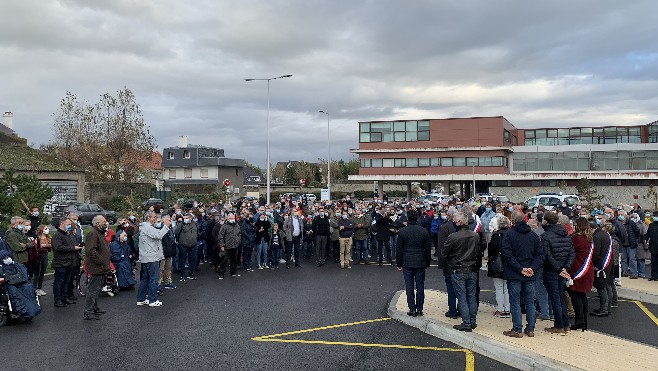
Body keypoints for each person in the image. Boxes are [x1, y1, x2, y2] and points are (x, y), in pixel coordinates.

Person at [501, 211, 545, 338]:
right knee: (530, 302)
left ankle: (517, 329)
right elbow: (540, 254)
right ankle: (530, 329)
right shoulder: (533, 235)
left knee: (515, 302)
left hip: (515, 273)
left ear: (512, 221)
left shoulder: (509, 235)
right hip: (530, 273)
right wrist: (532, 268)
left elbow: (507, 254)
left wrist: (520, 269)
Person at [442, 212, 480, 332]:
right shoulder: (475, 236)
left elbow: (444, 253)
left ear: (459, 222)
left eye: (454, 220)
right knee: (471, 296)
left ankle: (466, 323)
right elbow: (479, 251)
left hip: (458, 269)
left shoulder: (453, 236)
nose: (453, 222)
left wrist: (452, 261)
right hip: (471, 268)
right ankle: (472, 321)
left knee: (462, 297)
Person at [540, 211, 576, 334]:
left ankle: (559, 325)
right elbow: (572, 253)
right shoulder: (565, 235)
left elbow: (547, 255)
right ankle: (565, 324)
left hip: (552, 270)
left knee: (555, 298)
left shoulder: (546, 236)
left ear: (547, 221)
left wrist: (559, 269)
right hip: (562, 269)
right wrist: (565, 268)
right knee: (560, 297)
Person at [396, 210, 432, 317]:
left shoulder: (402, 231)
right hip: (420, 261)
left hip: (407, 261)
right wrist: (428, 262)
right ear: (417, 218)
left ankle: (412, 309)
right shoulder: (424, 231)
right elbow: (428, 249)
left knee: (409, 286)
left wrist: (399, 263)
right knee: (420, 286)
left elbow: (399, 249)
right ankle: (420, 309)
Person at [137, 213, 171, 307]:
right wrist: (166, 226)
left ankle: (141, 298)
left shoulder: (146, 227)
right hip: (151, 257)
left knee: (146, 278)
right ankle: (152, 299)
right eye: (154, 217)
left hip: (148, 256)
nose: (156, 219)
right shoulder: (147, 227)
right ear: (149, 218)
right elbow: (158, 235)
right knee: (154, 278)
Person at [568, 217, 595, 331]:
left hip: (578, 270)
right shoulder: (589, 238)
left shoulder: (576, 238)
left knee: (575, 295)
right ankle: (584, 321)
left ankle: (579, 321)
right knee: (583, 296)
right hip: (587, 269)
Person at [83, 215, 112, 320]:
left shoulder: (99, 233)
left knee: (97, 288)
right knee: (93, 289)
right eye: (104, 221)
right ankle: (88, 311)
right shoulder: (93, 233)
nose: (106, 223)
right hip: (97, 267)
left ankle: (95, 308)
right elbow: (91, 251)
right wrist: (101, 261)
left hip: (101, 267)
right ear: (97, 223)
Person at [51, 218, 83, 308]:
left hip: (70, 262)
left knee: (66, 281)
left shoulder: (69, 235)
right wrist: (73, 248)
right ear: (62, 224)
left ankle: (65, 297)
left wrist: (77, 246)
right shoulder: (57, 236)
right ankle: (57, 300)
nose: (70, 226)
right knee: (59, 282)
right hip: (61, 263)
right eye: (68, 224)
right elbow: (59, 248)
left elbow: (72, 244)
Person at [487, 215, 511, 318]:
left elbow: (491, 249)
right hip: (510, 264)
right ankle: (508, 309)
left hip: (498, 263)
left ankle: (501, 309)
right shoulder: (512, 234)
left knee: (499, 288)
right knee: (507, 288)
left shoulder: (496, 235)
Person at [591, 216, 613, 317]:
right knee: (608, 286)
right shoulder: (605, 235)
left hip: (601, 265)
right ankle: (607, 308)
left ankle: (603, 308)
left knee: (601, 287)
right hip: (608, 263)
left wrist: (592, 262)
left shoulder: (597, 237)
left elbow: (595, 253)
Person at [437, 212, 458, 318]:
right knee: (461, 289)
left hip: (449, 263)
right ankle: (461, 310)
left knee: (451, 288)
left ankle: (453, 311)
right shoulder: (464, 229)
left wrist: (441, 263)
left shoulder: (444, 228)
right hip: (462, 263)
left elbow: (441, 247)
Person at [175, 213, 198, 281]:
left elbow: (197, 232)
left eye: (187, 218)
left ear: (191, 218)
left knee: (193, 259)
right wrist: (179, 241)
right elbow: (176, 233)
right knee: (182, 260)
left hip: (193, 244)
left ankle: (191, 273)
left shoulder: (195, 224)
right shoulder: (181, 225)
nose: (186, 219)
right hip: (183, 244)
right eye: (185, 218)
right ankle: (182, 275)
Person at [218, 213, 242, 278]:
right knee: (224, 260)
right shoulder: (224, 226)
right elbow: (220, 236)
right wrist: (222, 245)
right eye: (230, 218)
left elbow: (239, 234)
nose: (232, 220)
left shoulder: (237, 225)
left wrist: (238, 241)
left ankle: (233, 272)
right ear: (228, 219)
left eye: (233, 218)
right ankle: (221, 274)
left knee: (234, 260)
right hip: (226, 246)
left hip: (235, 245)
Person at [33, 225, 51, 296]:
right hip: (38, 255)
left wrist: (45, 245)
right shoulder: (37, 238)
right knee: (37, 272)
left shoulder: (48, 237)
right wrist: (45, 245)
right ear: (42, 230)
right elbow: (38, 246)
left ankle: (39, 288)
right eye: (46, 229)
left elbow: (51, 245)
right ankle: (35, 289)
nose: (47, 230)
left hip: (45, 254)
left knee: (42, 272)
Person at [646, 211, 658, 282]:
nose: (654, 217)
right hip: (653, 246)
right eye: (654, 216)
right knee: (653, 262)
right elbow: (648, 234)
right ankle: (653, 275)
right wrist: (645, 239)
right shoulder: (651, 225)